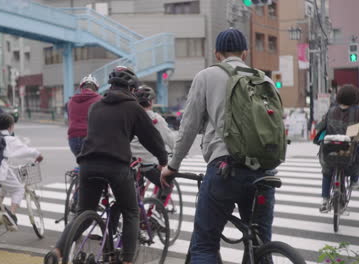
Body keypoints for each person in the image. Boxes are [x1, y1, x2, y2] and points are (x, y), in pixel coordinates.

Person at [160, 28, 278, 263]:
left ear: (217, 54)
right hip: (264, 172)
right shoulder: (264, 79)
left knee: (204, 243)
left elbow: (189, 126)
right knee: (259, 244)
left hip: (225, 168)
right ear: (245, 53)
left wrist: (172, 166)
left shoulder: (207, 76)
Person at [48, 66, 168, 264]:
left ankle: (59, 250)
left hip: (87, 164)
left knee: (84, 214)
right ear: (132, 89)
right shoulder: (133, 108)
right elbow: (152, 138)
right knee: (131, 212)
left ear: (110, 86)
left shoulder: (96, 106)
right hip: (116, 166)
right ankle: (128, 260)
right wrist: (163, 161)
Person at [0, 113, 43, 229]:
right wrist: (38, 155)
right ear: (11, 126)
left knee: (4, 188)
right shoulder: (9, 139)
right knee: (18, 189)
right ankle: (12, 216)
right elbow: (26, 150)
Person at [317, 84, 359, 213]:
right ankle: (354, 180)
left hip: (330, 149)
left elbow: (320, 127)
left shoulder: (331, 110)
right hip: (349, 150)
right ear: (356, 98)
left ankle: (325, 200)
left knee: (327, 173)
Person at [130, 85, 175, 196]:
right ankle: (157, 209)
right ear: (151, 102)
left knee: (137, 194)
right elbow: (170, 140)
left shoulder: (130, 117)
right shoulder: (156, 119)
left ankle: (140, 210)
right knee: (168, 185)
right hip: (150, 164)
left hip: (132, 163)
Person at [67, 74, 102, 157]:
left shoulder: (71, 101)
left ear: (81, 88)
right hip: (90, 138)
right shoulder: (100, 100)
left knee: (82, 164)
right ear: (96, 88)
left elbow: (70, 118)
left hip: (73, 139)